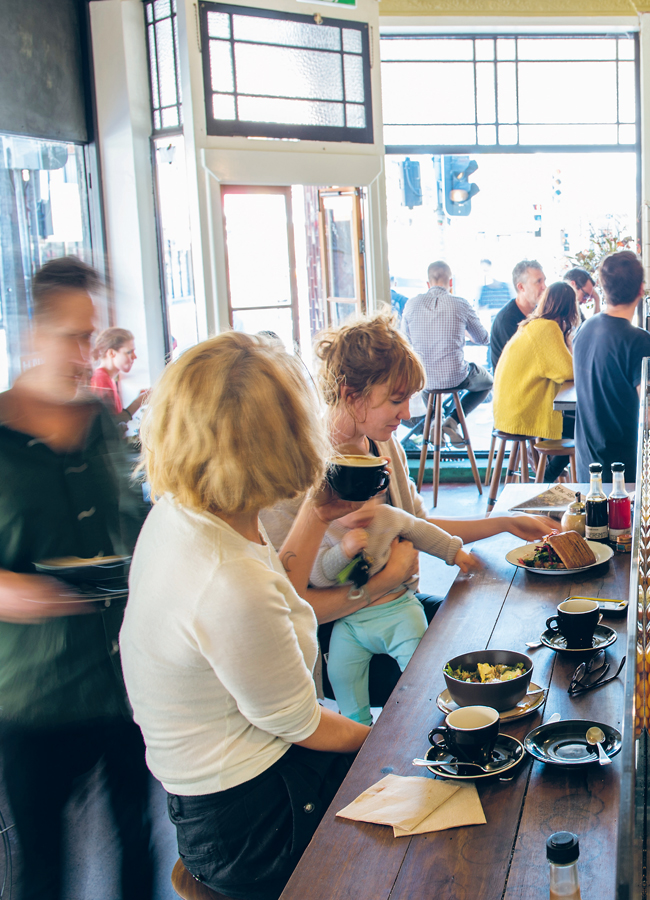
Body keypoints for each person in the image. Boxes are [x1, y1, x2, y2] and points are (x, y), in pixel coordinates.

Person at [119, 332, 371, 900]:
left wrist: (316, 514)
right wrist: (389, 742)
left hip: (213, 801)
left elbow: (277, 596)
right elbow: (302, 724)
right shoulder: (225, 580)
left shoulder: (185, 512)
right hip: (252, 820)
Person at [261, 315, 556, 705]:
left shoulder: (383, 445)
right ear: (352, 395)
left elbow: (421, 525)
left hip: (399, 608)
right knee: (468, 675)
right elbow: (290, 607)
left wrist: (503, 523)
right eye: (396, 400)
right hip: (342, 640)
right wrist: (383, 582)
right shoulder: (295, 473)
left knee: (494, 634)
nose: (408, 415)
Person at [0, 257, 153, 900]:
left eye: (91, 334)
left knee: (137, 840)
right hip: (31, 693)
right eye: (70, 334)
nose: (84, 351)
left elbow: (133, 519)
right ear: (31, 333)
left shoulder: (99, 421)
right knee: (41, 867)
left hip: (119, 681)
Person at [310, 494, 477, 725]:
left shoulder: (387, 516)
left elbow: (421, 531)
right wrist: (343, 552)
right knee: (341, 673)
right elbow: (317, 577)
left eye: (367, 501)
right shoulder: (324, 530)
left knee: (419, 668)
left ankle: (428, 716)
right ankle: (357, 723)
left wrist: (455, 552)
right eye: (350, 504)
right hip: (350, 622)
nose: (361, 511)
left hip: (399, 611)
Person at [574, 250, 650, 481]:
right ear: (641, 289)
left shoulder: (584, 330)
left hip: (587, 466)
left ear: (603, 288)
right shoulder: (639, 341)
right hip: (623, 473)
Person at [493, 282, 579, 482]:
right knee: (580, 430)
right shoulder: (547, 327)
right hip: (521, 411)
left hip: (508, 408)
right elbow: (566, 370)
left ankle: (546, 475)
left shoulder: (533, 324)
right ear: (569, 307)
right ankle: (544, 480)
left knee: (574, 425)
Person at [401, 260, 492, 447]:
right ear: (451, 283)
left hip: (424, 379)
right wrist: (463, 331)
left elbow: (406, 343)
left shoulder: (411, 304)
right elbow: (483, 338)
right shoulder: (460, 304)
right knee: (488, 382)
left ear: (428, 284)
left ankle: (435, 421)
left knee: (427, 375)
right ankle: (452, 421)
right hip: (456, 377)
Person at [490, 260, 546, 371]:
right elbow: (520, 364)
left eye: (544, 281)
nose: (544, 287)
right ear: (521, 287)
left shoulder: (540, 314)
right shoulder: (506, 320)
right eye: (538, 282)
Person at [90, 326, 146, 422]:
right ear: (112, 353)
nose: (134, 356)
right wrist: (139, 401)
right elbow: (112, 425)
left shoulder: (107, 378)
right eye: (129, 352)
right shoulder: (101, 381)